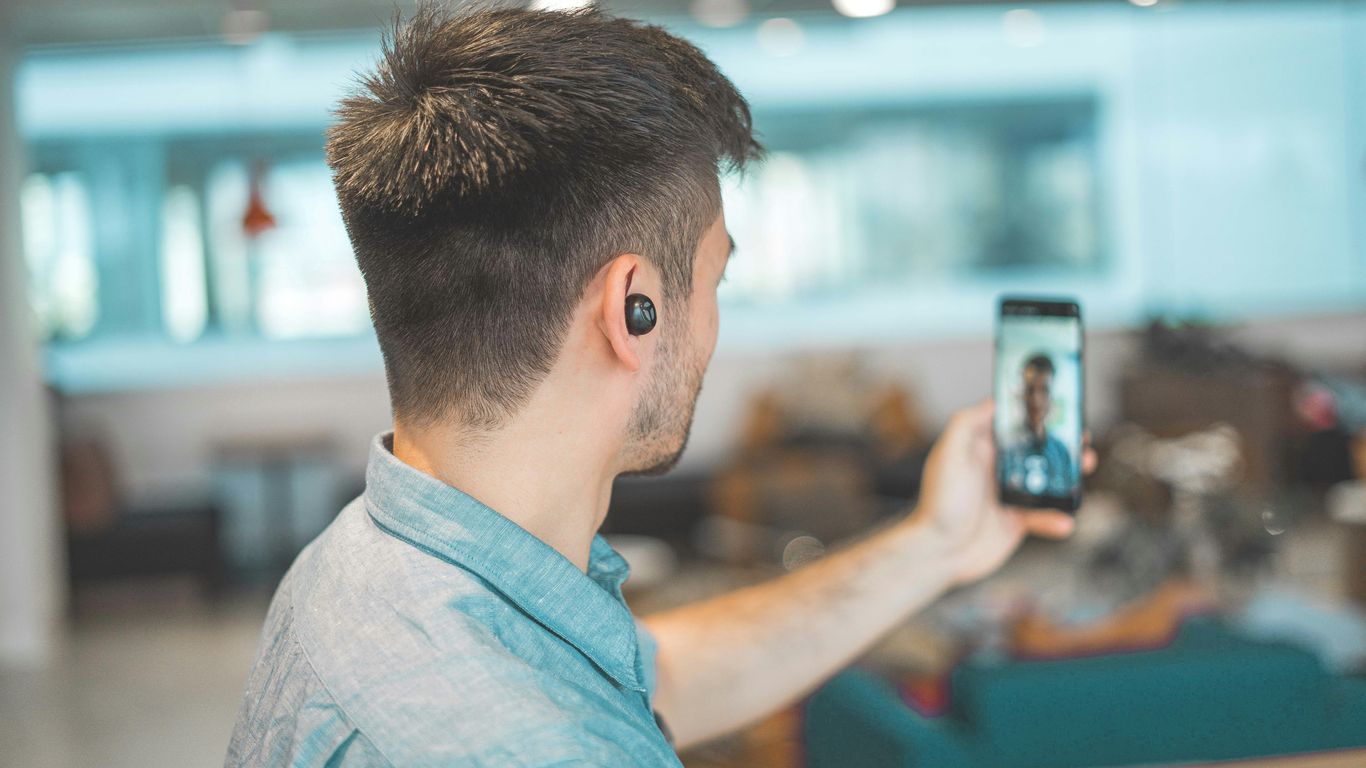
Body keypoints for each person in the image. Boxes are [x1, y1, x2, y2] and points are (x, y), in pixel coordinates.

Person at [227, 7, 1084, 766]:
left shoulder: (365, 565)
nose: (713, 325)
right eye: (716, 280)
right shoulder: (535, 745)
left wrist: (938, 541)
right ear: (631, 308)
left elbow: (652, 677)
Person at [1000, 353, 1077, 497]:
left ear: (1052, 396)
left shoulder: (1062, 451)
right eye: (1030, 390)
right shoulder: (1004, 448)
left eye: (1044, 390)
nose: (1036, 400)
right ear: (1022, 394)